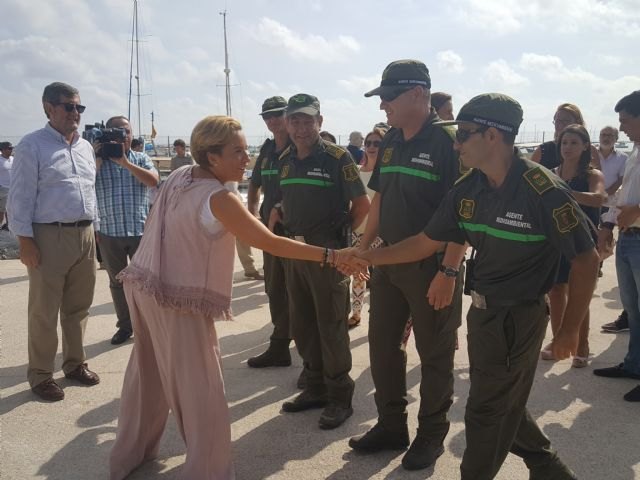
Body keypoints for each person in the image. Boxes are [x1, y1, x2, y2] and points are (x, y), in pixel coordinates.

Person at [350, 93, 598, 480]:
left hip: (519, 317)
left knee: (485, 412)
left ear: (494, 136)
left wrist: (567, 331)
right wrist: (368, 256)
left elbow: (587, 258)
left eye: (465, 134)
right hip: (482, 315)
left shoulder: (542, 190)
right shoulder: (470, 189)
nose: (456, 143)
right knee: (503, 401)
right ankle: (548, 468)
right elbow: (425, 241)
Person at [109, 115, 362, 480]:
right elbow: (270, 243)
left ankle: (128, 456)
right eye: (238, 152)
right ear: (212, 157)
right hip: (177, 300)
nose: (248, 159)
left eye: (247, 150)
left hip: (145, 286)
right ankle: (207, 471)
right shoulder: (221, 197)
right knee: (202, 390)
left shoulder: (182, 175)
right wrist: (334, 256)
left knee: (146, 377)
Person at [349, 59, 466, 471]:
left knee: (433, 354)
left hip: (434, 267)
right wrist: (361, 249)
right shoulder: (394, 139)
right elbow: (379, 197)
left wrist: (449, 271)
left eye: (389, 96)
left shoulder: (451, 142)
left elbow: (463, 214)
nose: (383, 105)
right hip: (390, 261)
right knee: (383, 347)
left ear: (418, 94)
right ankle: (391, 425)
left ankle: (431, 435)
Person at [274, 93, 370, 429]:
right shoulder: (285, 158)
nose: (300, 127)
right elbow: (291, 200)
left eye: (307, 120)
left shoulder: (336, 157)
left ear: (320, 122)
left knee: (331, 325)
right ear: (287, 123)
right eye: (294, 120)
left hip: (329, 256)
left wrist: (342, 241)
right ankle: (314, 386)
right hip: (295, 254)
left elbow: (362, 206)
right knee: (302, 323)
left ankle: (340, 396)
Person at [7, 82, 100, 402]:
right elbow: (19, 199)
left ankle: (74, 364)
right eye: (68, 106)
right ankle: (41, 374)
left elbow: (90, 193)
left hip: (85, 235)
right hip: (49, 236)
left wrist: (95, 233)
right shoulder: (32, 146)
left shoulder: (86, 147)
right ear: (48, 107)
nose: (75, 113)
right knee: (44, 311)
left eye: (79, 107)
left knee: (78, 308)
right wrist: (25, 242)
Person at [540, 125, 605, 368]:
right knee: (555, 291)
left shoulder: (592, 174)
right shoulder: (551, 172)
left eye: (574, 143)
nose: (567, 147)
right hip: (554, 240)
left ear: (586, 146)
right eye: (564, 142)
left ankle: (582, 343)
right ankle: (559, 340)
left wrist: (566, 192)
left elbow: (600, 198)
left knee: (579, 293)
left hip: (582, 242)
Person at [95, 115, 160, 345]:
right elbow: (82, 183)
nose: (123, 136)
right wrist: (97, 157)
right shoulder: (96, 160)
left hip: (140, 230)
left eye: (127, 131)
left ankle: (150, 324)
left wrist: (126, 163)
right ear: (106, 134)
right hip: (109, 232)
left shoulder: (141, 158)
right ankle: (125, 326)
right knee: (117, 283)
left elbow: (153, 181)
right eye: (116, 132)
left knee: (145, 282)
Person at [595, 90, 640, 402]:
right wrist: (609, 224)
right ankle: (634, 365)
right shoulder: (635, 151)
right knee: (634, 312)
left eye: (625, 121)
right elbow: (624, 192)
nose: (621, 127)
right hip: (628, 239)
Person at [246, 96, 294, 367]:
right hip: (271, 232)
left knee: (301, 290)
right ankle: (280, 344)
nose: (272, 120)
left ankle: (311, 351)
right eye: (267, 116)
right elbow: (254, 185)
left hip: (298, 231)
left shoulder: (301, 147)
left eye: (277, 114)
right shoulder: (266, 151)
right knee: (275, 288)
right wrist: (251, 216)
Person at [348, 127, 386, 328]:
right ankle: (356, 313)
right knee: (358, 276)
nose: (371, 147)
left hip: (380, 235)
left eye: (377, 143)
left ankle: (379, 315)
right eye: (368, 143)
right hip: (356, 232)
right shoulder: (355, 172)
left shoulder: (387, 175)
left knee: (381, 279)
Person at [595, 126, 629, 333]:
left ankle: (597, 263)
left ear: (616, 139)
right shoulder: (591, 154)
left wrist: (609, 190)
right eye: (603, 135)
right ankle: (594, 265)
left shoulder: (624, 158)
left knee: (605, 239)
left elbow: (624, 178)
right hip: (592, 202)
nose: (606, 138)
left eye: (609, 136)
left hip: (610, 203)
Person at [531, 103, 599, 170]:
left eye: (566, 121)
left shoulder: (590, 151)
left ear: (578, 122)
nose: (561, 124)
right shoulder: (542, 150)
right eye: (558, 121)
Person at [0, 141, 13, 230]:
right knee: (2, 209)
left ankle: (8, 225)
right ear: (3, 150)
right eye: (9, 148)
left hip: (13, 188)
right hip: (3, 188)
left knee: (11, 208)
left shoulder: (13, 159)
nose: (11, 150)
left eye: (12, 148)